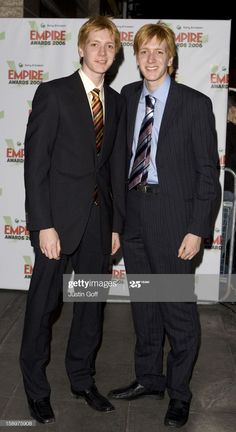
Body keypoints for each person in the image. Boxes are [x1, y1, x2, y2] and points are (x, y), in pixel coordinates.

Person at [108, 22, 220, 428]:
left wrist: (196, 228)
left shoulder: (195, 103)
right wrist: (116, 223)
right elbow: (119, 165)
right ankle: (149, 379)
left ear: (171, 58)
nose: (151, 59)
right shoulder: (127, 96)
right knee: (144, 307)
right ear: (135, 58)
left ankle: (179, 393)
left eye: (159, 52)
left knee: (177, 312)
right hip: (135, 216)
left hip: (174, 222)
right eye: (144, 52)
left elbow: (209, 174)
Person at [20, 16, 126, 424]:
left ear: (116, 54)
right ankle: (35, 389)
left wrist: (116, 224)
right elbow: (36, 165)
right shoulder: (54, 93)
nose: (102, 52)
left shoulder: (116, 102)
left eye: (109, 46)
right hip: (56, 225)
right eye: (94, 44)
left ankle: (82, 379)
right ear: (80, 48)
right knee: (43, 308)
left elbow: (114, 167)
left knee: (89, 307)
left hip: (99, 224)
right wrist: (43, 224)